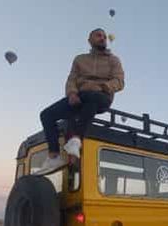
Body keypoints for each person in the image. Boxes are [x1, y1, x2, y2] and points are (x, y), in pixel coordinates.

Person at [37, 28, 125, 173]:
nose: (102, 38)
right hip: (80, 95)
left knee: (92, 98)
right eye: (98, 35)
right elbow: (71, 79)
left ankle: (76, 139)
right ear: (90, 40)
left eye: (104, 36)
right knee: (46, 114)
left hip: (102, 95)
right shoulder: (80, 59)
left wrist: (104, 86)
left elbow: (119, 81)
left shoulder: (114, 60)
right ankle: (54, 156)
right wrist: (71, 94)